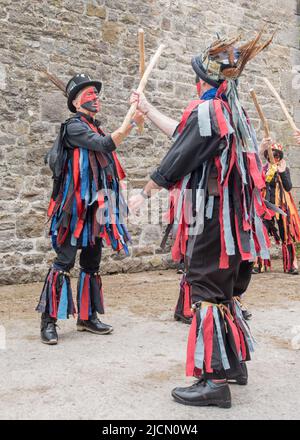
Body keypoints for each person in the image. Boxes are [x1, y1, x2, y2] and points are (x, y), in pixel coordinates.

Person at [129, 30, 273, 408]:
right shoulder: (230, 112)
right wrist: (146, 108)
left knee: (206, 289)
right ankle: (233, 366)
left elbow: (178, 158)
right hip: (235, 221)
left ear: (201, 79)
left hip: (214, 218)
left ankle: (212, 382)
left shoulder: (208, 111)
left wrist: (143, 194)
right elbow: (185, 138)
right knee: (224, 291)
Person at [36, 73, 143, 345]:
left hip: (97, 209)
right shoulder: (73, 127)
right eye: (88, 93)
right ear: (75, 102)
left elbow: (106, 153)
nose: (95, 97)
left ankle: (87, 316)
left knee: (92, 263)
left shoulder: (93, 126)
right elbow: (106, 145)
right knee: (64, 262)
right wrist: (130, 124)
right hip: (74, 210)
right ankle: (49, 321)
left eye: (96, 93)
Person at [259, 138, 300, 274]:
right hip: (266, 206)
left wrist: (282, 172)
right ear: (267, 156)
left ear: (280, 156)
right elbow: (260, 184)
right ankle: (259, 264)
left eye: (277, 155)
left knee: (286, 234)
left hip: (282, 207)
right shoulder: (264, 169)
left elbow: (288, 187)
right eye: (272, 154)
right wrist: (269, 172)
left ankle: (291, 265)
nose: (274, 157)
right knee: (261, 232)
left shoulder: (285, 169)